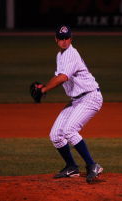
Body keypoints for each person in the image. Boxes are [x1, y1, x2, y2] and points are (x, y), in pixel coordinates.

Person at [40, 25, 103, 183]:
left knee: (69, 130)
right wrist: (44, 87)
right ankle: (71, 167)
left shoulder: (71, 54)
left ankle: (92, 165)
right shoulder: (60, 56)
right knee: (56, 135)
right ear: (56, 40)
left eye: (66, 38)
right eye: (61, 38)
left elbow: (62, 78)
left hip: (90, 97)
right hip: (76, 100)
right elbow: (58, 76)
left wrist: (45, 89)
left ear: (71, 38)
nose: (64, 41)